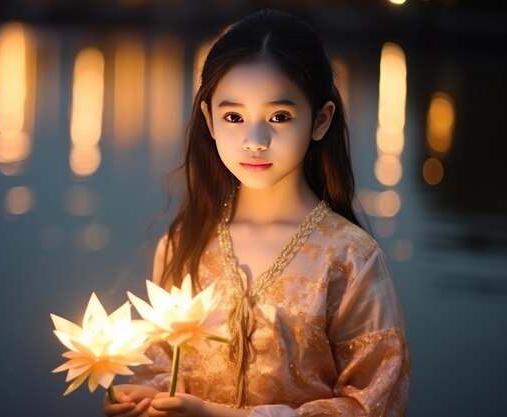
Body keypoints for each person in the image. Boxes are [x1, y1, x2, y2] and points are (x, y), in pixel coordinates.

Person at [103, 8, 410, 417]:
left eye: (279, 117)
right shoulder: (186, 242)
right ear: (209, 119)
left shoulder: (350, 257)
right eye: (234, 116)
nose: (254, 139)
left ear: (320, 120)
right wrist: (147, 399)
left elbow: (375, 403)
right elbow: (163, 367)